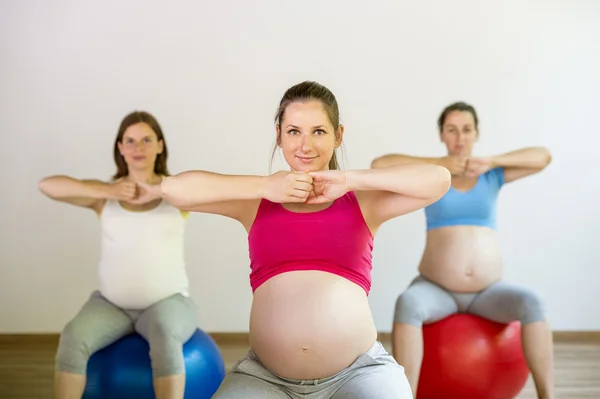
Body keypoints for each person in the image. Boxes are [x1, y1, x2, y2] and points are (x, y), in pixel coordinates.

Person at [160, 81, 452, 398]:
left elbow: (438, 180)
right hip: (265, 378)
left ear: (338, 135)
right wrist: (264, 186)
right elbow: (174, 190)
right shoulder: (256, 202)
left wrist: (349, 179)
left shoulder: (362, 203)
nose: (305, 145)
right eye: (294, 131)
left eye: (319, 131)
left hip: (359, 372)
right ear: (278, 135)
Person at [371, 101, 554, 399]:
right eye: (452, 130)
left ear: (476, 134)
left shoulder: (492, 175)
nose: (459, 137)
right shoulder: (431, 175)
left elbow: (543, 157)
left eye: (466, 130)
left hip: (488, 292)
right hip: (436, 289)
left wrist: (492, 161)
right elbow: (380, 164)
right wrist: (439, 163)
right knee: (407, 303)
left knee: (533, 303)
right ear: (442, 135)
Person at [38, 111, 198, 399]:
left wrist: (160, 189)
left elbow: (211, 191)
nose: (138, 148)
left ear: (160, 145)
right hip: (111, 305)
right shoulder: (104, 197)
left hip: (169, 302)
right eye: (130, 141)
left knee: (164, 334)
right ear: (120, 148)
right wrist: (108, 189)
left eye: (147, 140)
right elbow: (47, 185)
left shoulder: (176, 193)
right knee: (72, 337)